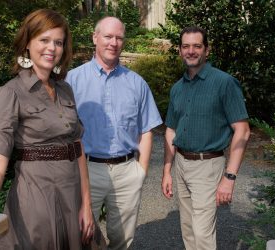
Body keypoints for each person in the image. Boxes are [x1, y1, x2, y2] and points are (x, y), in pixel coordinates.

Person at [0, 9, 94, 249]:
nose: (52, 48)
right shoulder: (10, 93)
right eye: (44, 40)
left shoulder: (65, 90)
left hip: (72, 194)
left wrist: (86, 205)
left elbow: (77, 149)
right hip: (36, 198)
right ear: (27, 44)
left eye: (58, 42)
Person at [66, 16, 162, 250]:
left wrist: (141, 171)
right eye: (108, 36)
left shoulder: (137, 83)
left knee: (122, 239)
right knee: (80, 235)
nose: (113, 42)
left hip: (127, 171)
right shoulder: (72, 81)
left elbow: (147, 130)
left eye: (119, 37)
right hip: (86, 170)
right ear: (95, 38)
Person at [161, 26, 251, 250]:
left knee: (202, 234)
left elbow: (243, 130)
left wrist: (229, 177)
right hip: (181, 164)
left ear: (207, 50)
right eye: (186, 46)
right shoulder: (177, 89)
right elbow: (171, 130)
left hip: (208, 166)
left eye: (197, 46)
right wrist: (166, 171)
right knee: (188, 229)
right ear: (180, 51)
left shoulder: (224, 83)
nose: (191, 51)